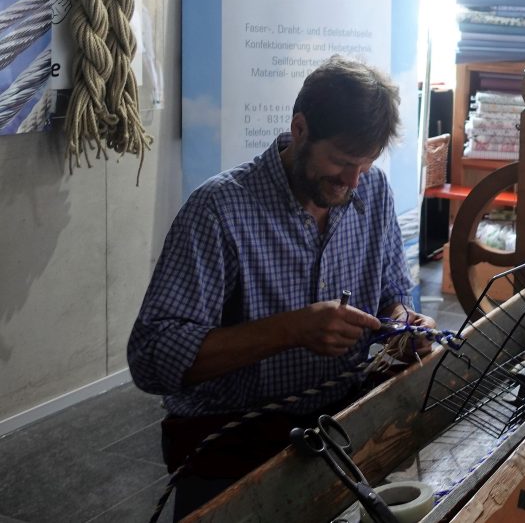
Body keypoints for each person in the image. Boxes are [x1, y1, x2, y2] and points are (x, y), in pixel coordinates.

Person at [128, 55, 436, 519]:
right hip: (233, 439)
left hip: (341, 422)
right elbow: (152, 357)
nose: (352, 182)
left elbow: (393, 291)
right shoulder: (220, 210)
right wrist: (292, 330)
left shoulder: (370, 191)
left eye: (366, 165)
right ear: (300, 129)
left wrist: (402, 322)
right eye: (342, 162)